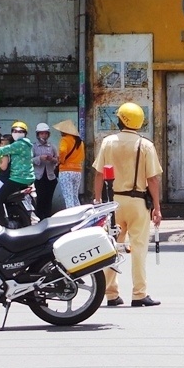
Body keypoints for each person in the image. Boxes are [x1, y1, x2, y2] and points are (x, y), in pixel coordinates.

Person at [92, 102, 163, 308]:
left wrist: (97, 200)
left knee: (111, 248)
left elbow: (98, 173)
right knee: (138, 248)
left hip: (113, 203)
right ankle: (139, 294)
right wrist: (157, 207)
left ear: (120, 120)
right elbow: (153, 180)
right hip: (138, 202)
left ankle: (110, 293)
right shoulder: (145, 145)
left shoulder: (108, 142)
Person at [0, 122, 35, 226]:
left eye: (20, 131)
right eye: (14, 131)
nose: (17, 133)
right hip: (26, 178)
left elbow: (4, 150)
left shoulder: (19, 144)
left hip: (18, 178)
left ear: (25, 133)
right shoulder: (26, 144)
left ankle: (1, 225)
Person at [54, 120, 84, 208]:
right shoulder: (80, 142)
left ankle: (72, 218)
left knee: (68, 198)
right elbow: (82, 157)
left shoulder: (65, 139)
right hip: (77, 171)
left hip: (66, 171)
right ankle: (80, 216)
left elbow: (63, 151)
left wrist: (61, 160)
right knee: (75, 197)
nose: (60, 132)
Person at [32, 122, 59, 219]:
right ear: (38, 134)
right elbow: (29, 161)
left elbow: (58, 160)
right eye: (41, 133)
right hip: (38, 177)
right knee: (39, 199)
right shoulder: (33, 146)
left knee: (48, 199)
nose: (44, 135)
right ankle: (39, 218)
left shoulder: (52, 146)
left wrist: (52, 159)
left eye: (45, 133)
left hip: (50, 177)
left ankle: (48, 218)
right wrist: (39, 158)